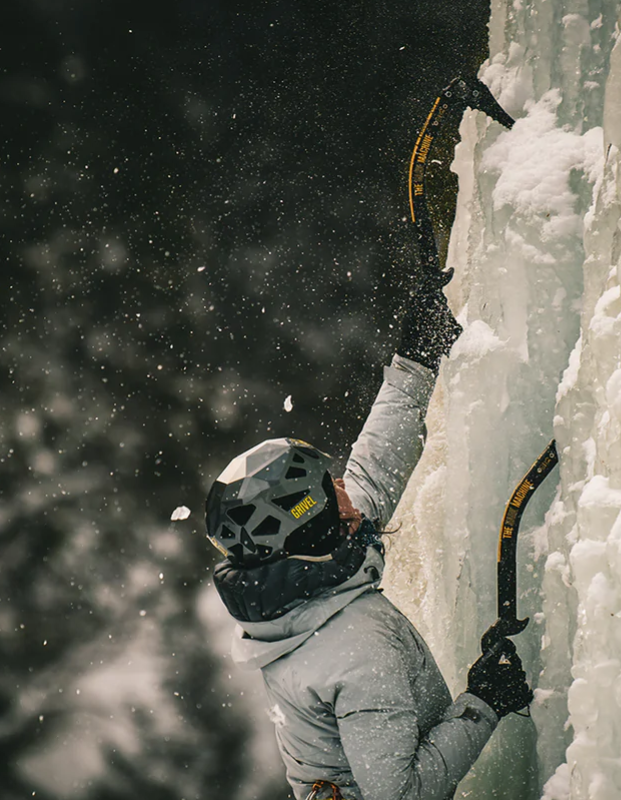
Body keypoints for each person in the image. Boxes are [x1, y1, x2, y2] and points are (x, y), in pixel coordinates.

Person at [205, 76, 530, 800]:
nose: (351, 497)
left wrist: (416, 354)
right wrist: (483, 700)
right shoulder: (356, 648)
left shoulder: (303, 585)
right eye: (333, 499)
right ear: (312, 530)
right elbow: (400, 796)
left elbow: (374, 470)